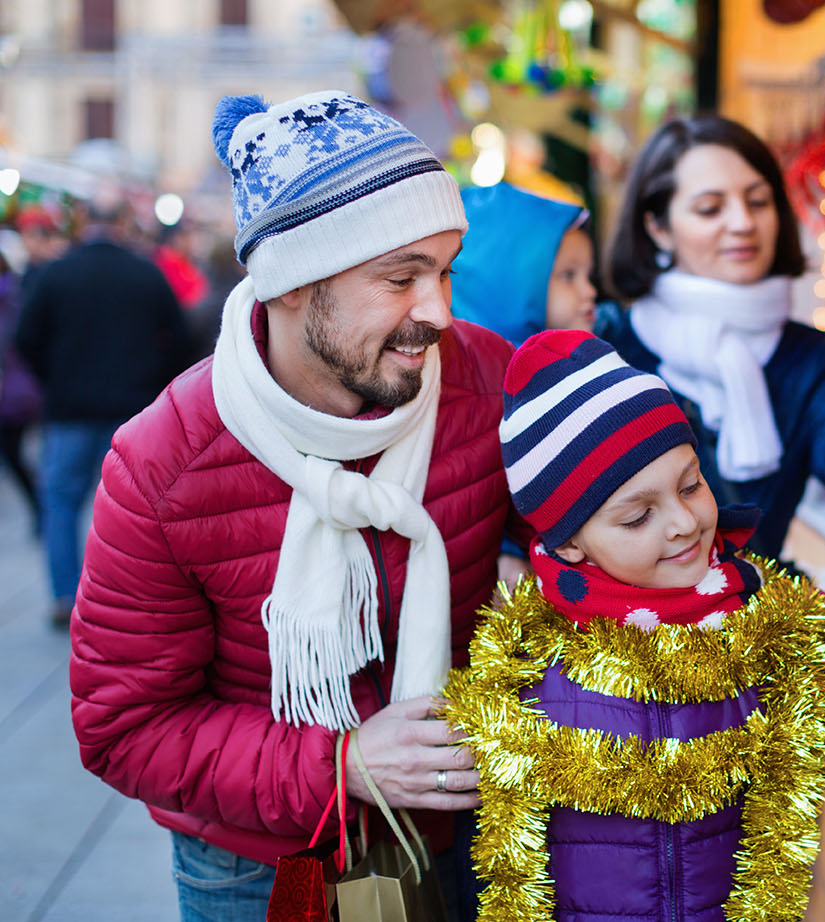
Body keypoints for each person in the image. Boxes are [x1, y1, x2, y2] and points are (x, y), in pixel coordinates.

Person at [68, 90, 517, 922]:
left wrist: (798, 618)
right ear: (291, 284)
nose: (439, 312)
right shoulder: (163, 460)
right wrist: (341, 763)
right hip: (254, 865)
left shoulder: (483, 377)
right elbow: (124, 727)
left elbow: (622, 514)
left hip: (459, 833)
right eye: (400, 278)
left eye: (444, 271)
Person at [441, 329, 825, 919]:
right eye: (639, 515)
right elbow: (487, 879)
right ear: (568, 544)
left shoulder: (771, 633)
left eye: (691, 484)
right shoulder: (523, 671)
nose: (683, 523)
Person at [597, 114, 825, 559]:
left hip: (753, 620)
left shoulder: (812, 358)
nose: (742, 223)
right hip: (611, 624)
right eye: (710, 208)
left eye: (758, 201)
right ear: (657, 227)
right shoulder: (603, 347)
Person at [16, 190, 195, 627]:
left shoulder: (56, 274)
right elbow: (182, 341)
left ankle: (65, 596)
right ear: (122, 224)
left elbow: (24, 338)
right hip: (132, 411)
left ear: (84, 221)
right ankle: (123, 599)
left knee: (60, 502)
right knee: (130, 509)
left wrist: (54, 379)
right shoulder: (146, 274)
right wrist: (154, 386)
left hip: (68, 410)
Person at [449, 180, 598, 344]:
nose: (590, 291)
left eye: (589, 275)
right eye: (568, 276)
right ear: (510, 286)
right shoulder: (486, 368)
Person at [0, 229, 41, 530]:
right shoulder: (18, 293)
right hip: (16, 389)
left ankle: (39, 505)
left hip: (11, 393)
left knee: (13, 454)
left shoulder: (12, 297)